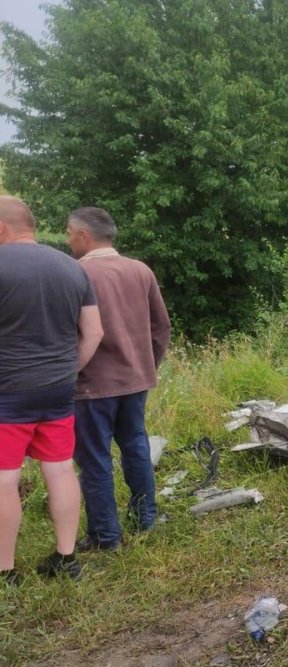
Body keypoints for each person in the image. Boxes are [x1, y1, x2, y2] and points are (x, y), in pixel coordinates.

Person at [0, 196, 103, 584]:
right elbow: (94, 332)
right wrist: (68, 371)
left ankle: (5, 570)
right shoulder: (72, 267)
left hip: (8, 392)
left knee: (4, 479)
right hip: (59, 391)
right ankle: (66, 558)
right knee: (60, 470)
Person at [66, 207, 171, 551]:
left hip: (91, 384)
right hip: (135, 380)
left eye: (69, 233)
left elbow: (68, 330)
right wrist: (147, 365)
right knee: (136, 447)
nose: (67, 240)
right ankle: (145, 519)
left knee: (94, 458)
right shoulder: (140, 270)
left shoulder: (76, 273)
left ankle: (105, 535)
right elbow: (161, 326)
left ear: (84, 235)